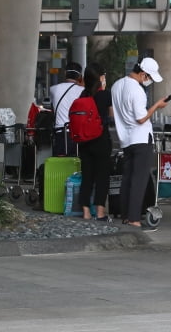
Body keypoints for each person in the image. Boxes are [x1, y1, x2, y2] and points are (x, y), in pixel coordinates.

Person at [111, 57, 169, 231]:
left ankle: (126, 216)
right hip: (141, 139)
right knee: (139, 180)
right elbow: (141, 118)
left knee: (127, 178)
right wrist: (157, 106)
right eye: (149, 77)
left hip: (125, 139)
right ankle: (135, 220)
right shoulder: (136, 90)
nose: (149, 81)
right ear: (143, 74)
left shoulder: (116, 85)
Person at [77, 62, 113, 221]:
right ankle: (99, 212)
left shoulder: (82, 95)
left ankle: (85, 212)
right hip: (101, 140)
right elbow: (111, 116)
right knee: (102, 176)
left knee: (87, 176)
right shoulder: (105, 95)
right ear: (100, 78)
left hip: (84, 141)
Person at [49, 61, 83, 156]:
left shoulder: (53, 89)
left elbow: (52, 108)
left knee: (60, 165)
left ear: (65, 73)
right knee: (76, 164)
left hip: (60, 133)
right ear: (80, 76)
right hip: (77, 134)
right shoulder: (83, 91)